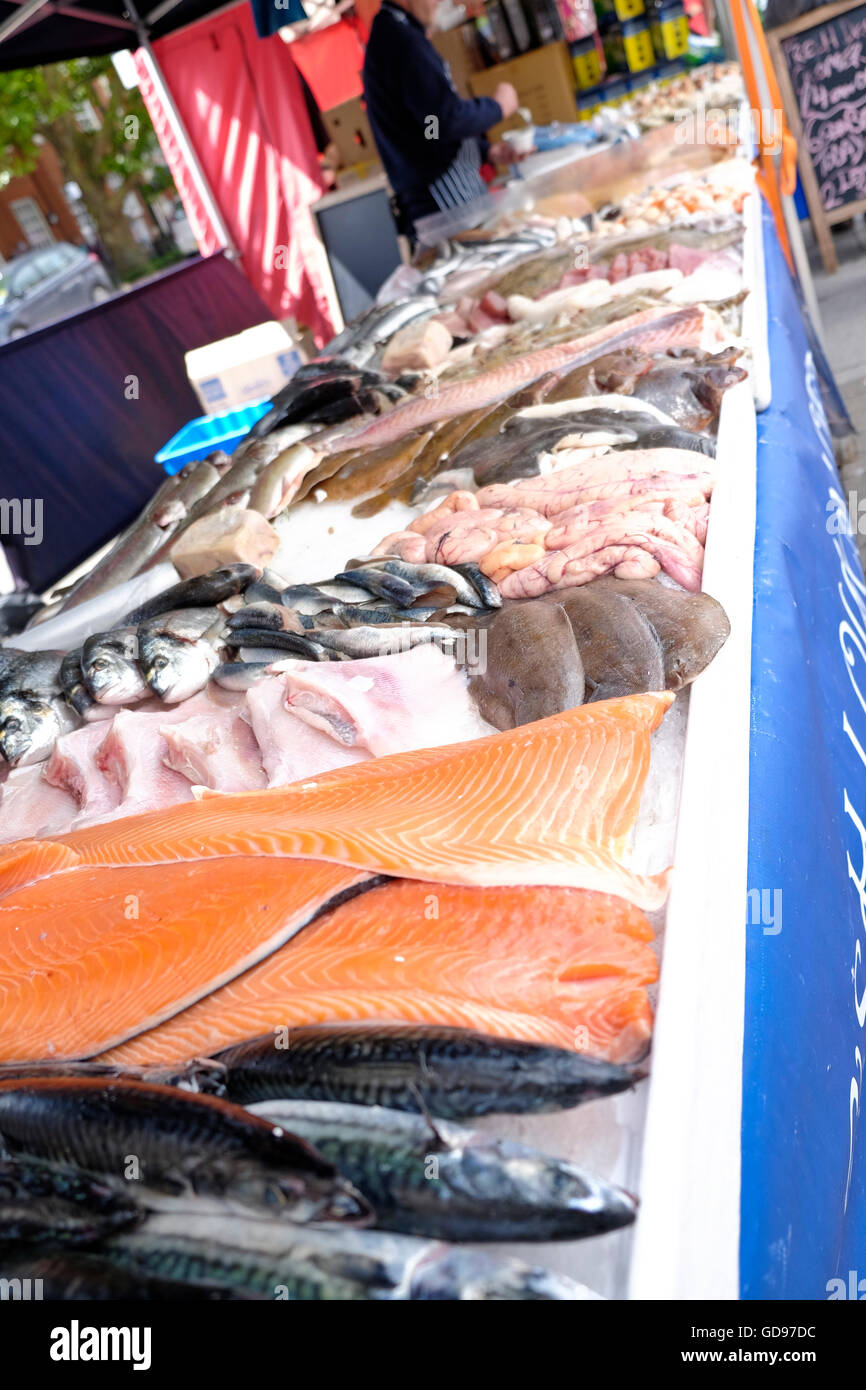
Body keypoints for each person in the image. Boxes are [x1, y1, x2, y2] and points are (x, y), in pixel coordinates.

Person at [362, 0, 519, 241]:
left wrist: (487, 151)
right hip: (443, 200)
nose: (438, 2)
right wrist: (498, 107)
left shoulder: (398, 32)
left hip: (450, 192)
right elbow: (443, 120)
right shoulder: (401, 40)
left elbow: (429, 128)